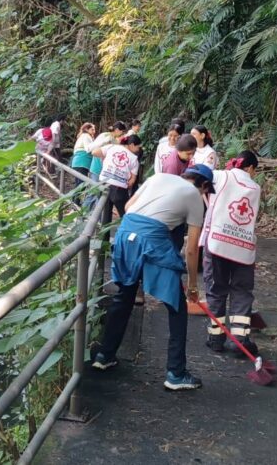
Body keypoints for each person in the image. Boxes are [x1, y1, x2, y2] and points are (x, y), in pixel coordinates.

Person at [92, 165, 216, 390]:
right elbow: (191, 249)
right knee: (177, 307)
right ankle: (176, 373)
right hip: (152, 240)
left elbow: (128, 207)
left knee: (125, 296)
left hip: (125, 234)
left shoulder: (157, 176)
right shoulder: (195, 198)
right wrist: (193, 285)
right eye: (207, 191)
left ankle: (104, 355)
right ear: (205, 185)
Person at [202, 151, 262, 356]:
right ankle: (240, 340)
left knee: (216, 289)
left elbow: (199, 176)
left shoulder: (220, 176)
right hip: (243, 248)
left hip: (217, 243)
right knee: (242, 291)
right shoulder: (256, 188)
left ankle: (216, 339)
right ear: (251, 168)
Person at [96, 134, 142, 220]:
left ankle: (104, 233)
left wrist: (106, 160)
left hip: (103, 184)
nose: (138, 150)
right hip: (119, 189)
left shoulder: (112, 147)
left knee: (106, 215)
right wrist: (128, 186)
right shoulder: (134, 158)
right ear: (132, 145)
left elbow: (94, 152)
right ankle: (127, 232)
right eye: (138, 147)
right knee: (125, 215)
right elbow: (132, 180)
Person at [70, 123, 97, 203]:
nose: (94, 131)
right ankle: (76, 202)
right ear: (86, 129)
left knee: (79, 183)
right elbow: (88, 148)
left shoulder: (83, 136)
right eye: (92, 129)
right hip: (82, 162)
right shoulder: (86, 136)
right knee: (81, 183)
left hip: (79, 162)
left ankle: (76, 201)